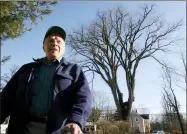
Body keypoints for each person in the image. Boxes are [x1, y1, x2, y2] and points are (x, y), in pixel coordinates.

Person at [0, 26, 92, 134]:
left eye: (59, 41)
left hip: (57, 130)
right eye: (50, 40)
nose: (54, 43)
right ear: (43, 47)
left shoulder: (74, 70)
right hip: (23, 128)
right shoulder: (26, 69)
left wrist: (75, 121)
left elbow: (83, 98)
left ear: (64, 48)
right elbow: (6, 98)